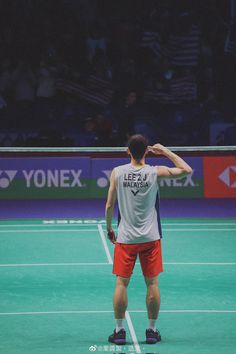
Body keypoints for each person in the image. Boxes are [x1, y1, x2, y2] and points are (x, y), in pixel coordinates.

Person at [105, 134, 192, 345]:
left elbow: (109, 205)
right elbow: (187, 170)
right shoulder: (155, 172)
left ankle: (119, 331)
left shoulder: (117, 173)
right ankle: (151, 331)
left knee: (121, 283)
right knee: (152, 282)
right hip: (151, 238)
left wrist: (109, 228)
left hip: (125, 239)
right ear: (146, 151)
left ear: (127, 151)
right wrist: (165, 151)